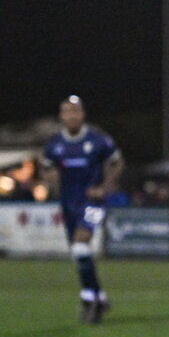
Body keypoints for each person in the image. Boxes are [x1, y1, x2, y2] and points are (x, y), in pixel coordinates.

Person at [40, 95, 123, 324]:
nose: (72, 116)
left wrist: (104, 187)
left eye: (76, 111)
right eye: (67, 112)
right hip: (69, 203)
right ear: (62, 116)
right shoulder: (55, 144)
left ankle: (89, 300)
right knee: (79, 254)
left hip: (93, 203)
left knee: (79, 245)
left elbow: (117, 162)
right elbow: (46, 167)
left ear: (83, 115)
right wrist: (52, 181)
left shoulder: (98, 141)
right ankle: (99, 296)